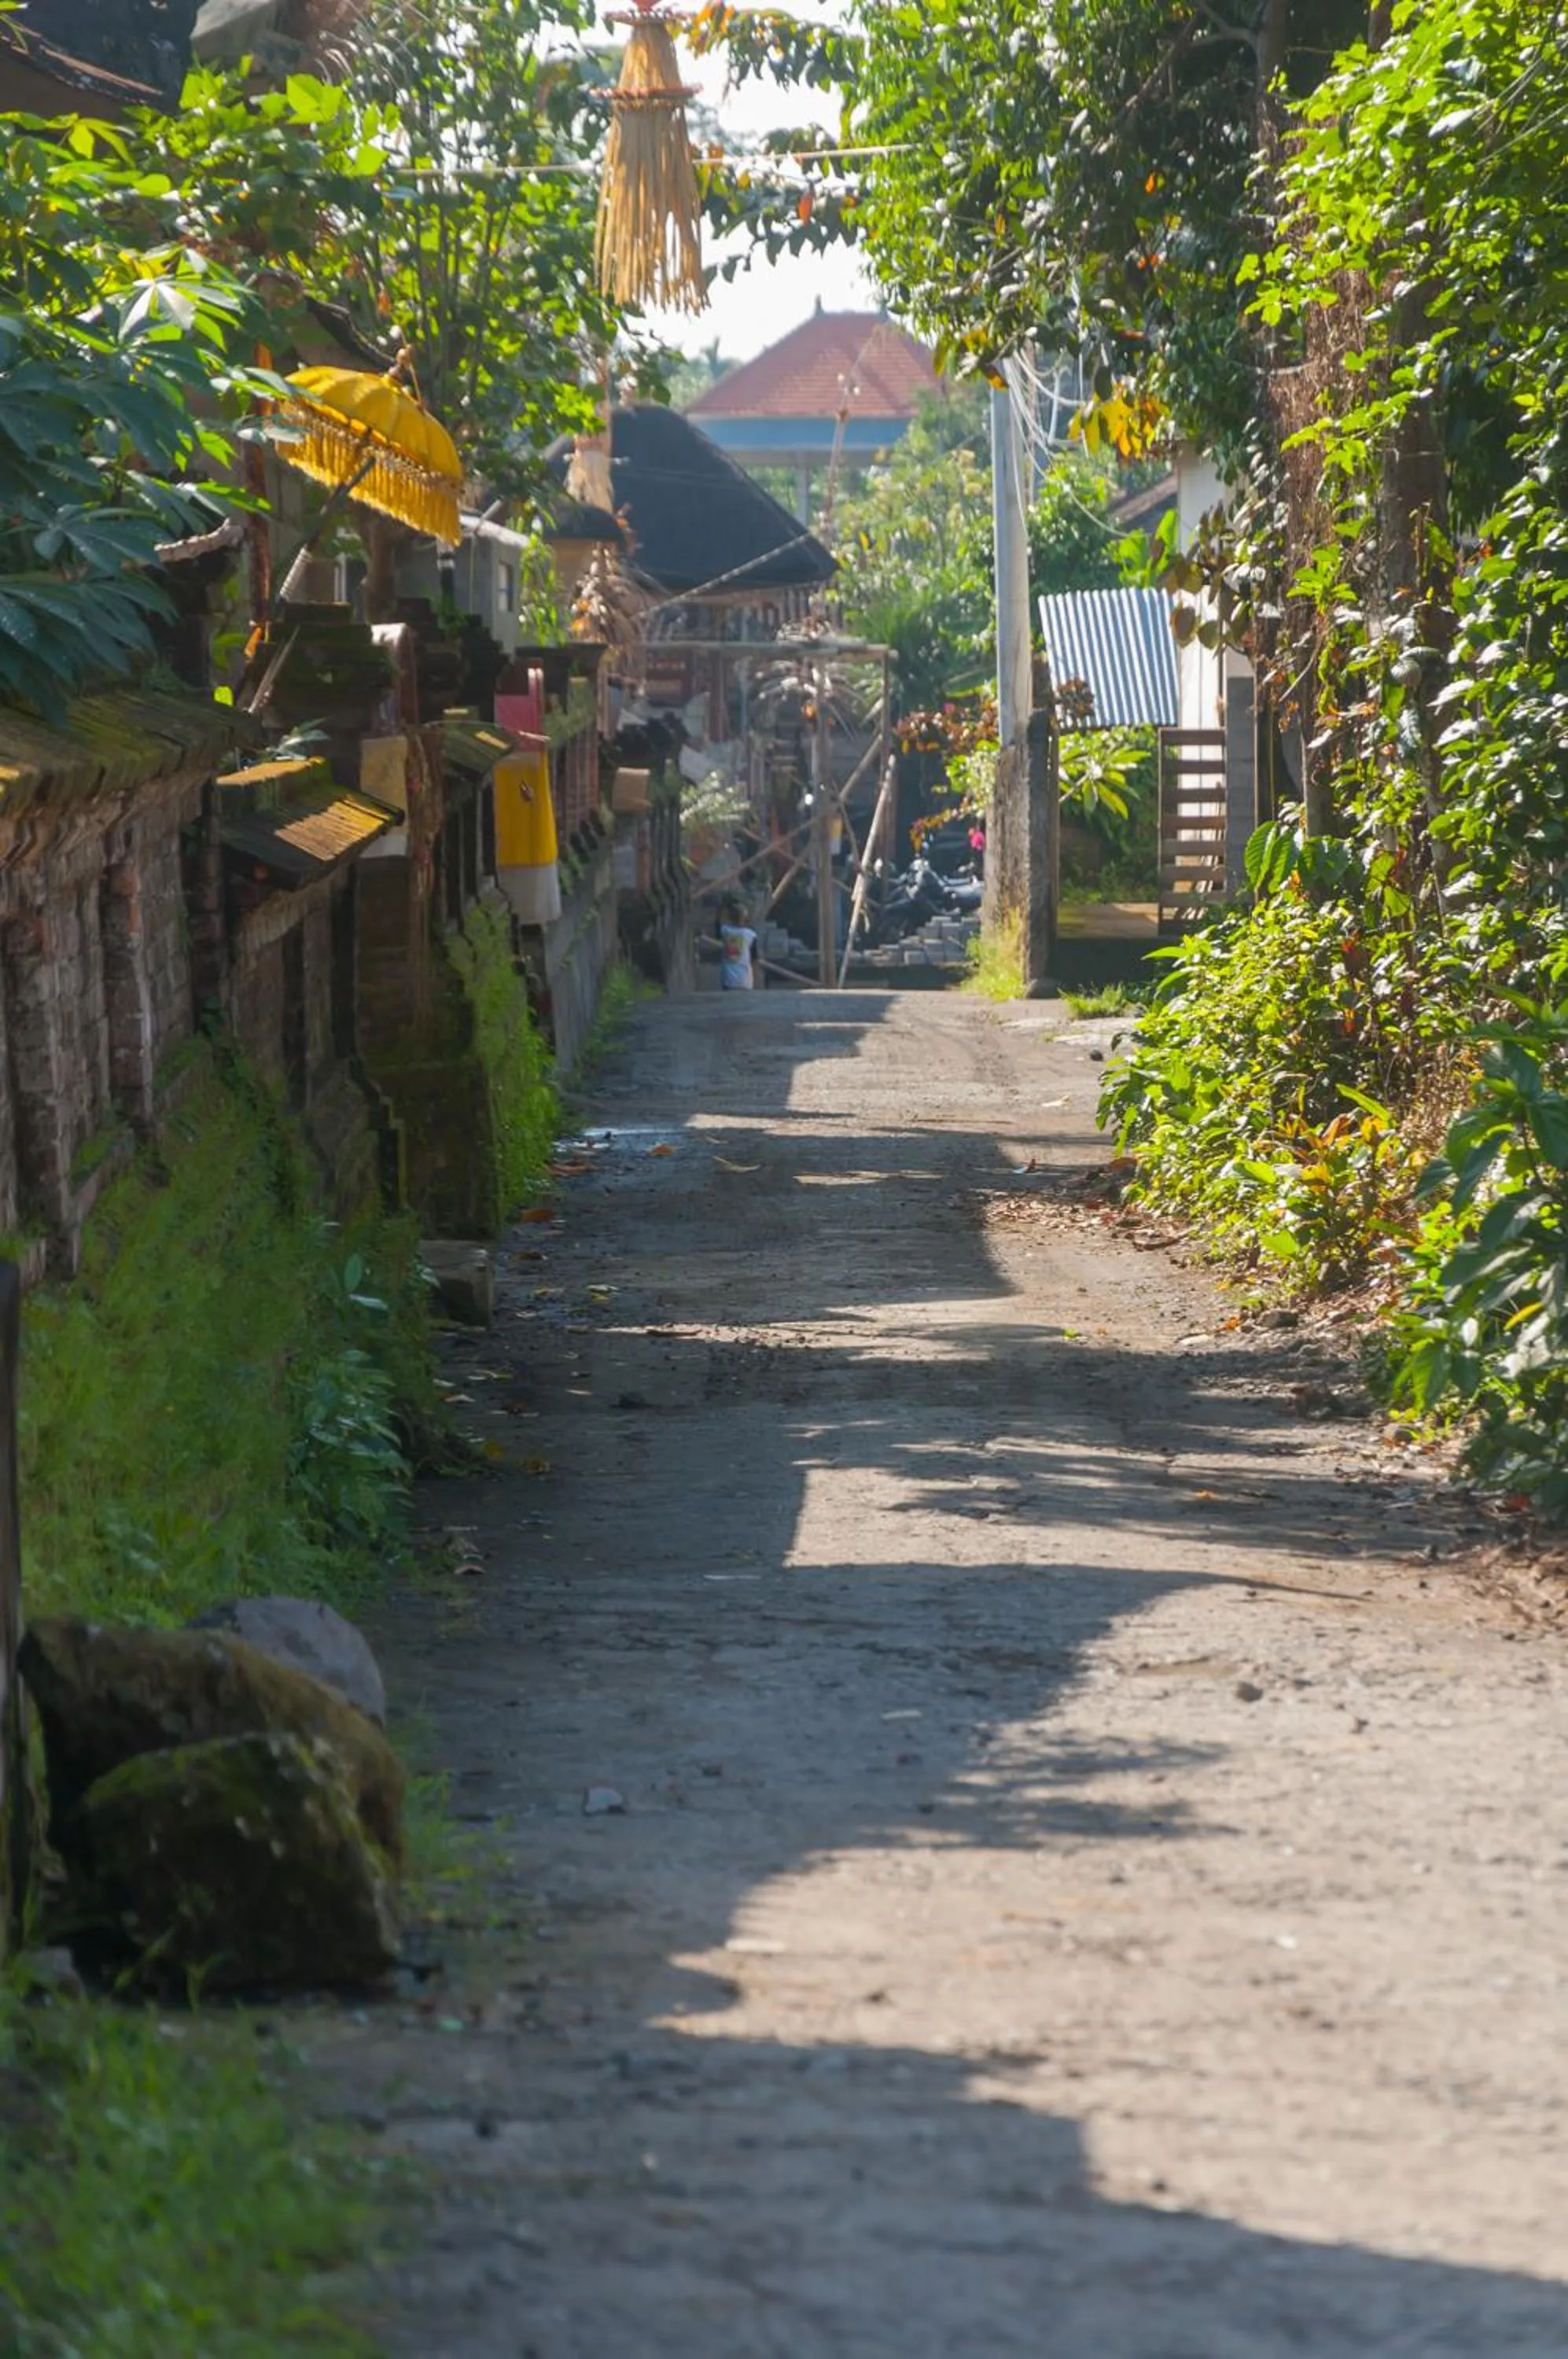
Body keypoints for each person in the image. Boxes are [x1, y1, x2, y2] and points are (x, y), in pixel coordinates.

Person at [717, 899, 758, 992]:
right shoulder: (751, 935)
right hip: (745, 980)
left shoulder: (725, 930)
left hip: (728, 979)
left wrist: (723, 906)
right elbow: (754, 958)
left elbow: (718, 922)